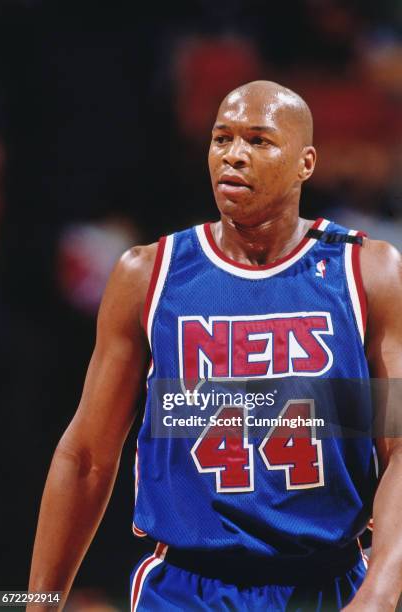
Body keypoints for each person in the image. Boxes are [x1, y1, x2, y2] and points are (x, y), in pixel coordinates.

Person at [28, 81, 402, 611]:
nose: (234, 155)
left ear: (306, 163)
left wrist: (381, 595)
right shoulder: (149, 275)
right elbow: (87, 456)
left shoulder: (368, 273)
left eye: (259, 140)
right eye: (221, 138)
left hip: (325, 584)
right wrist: (36, 602)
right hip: (184, 588)